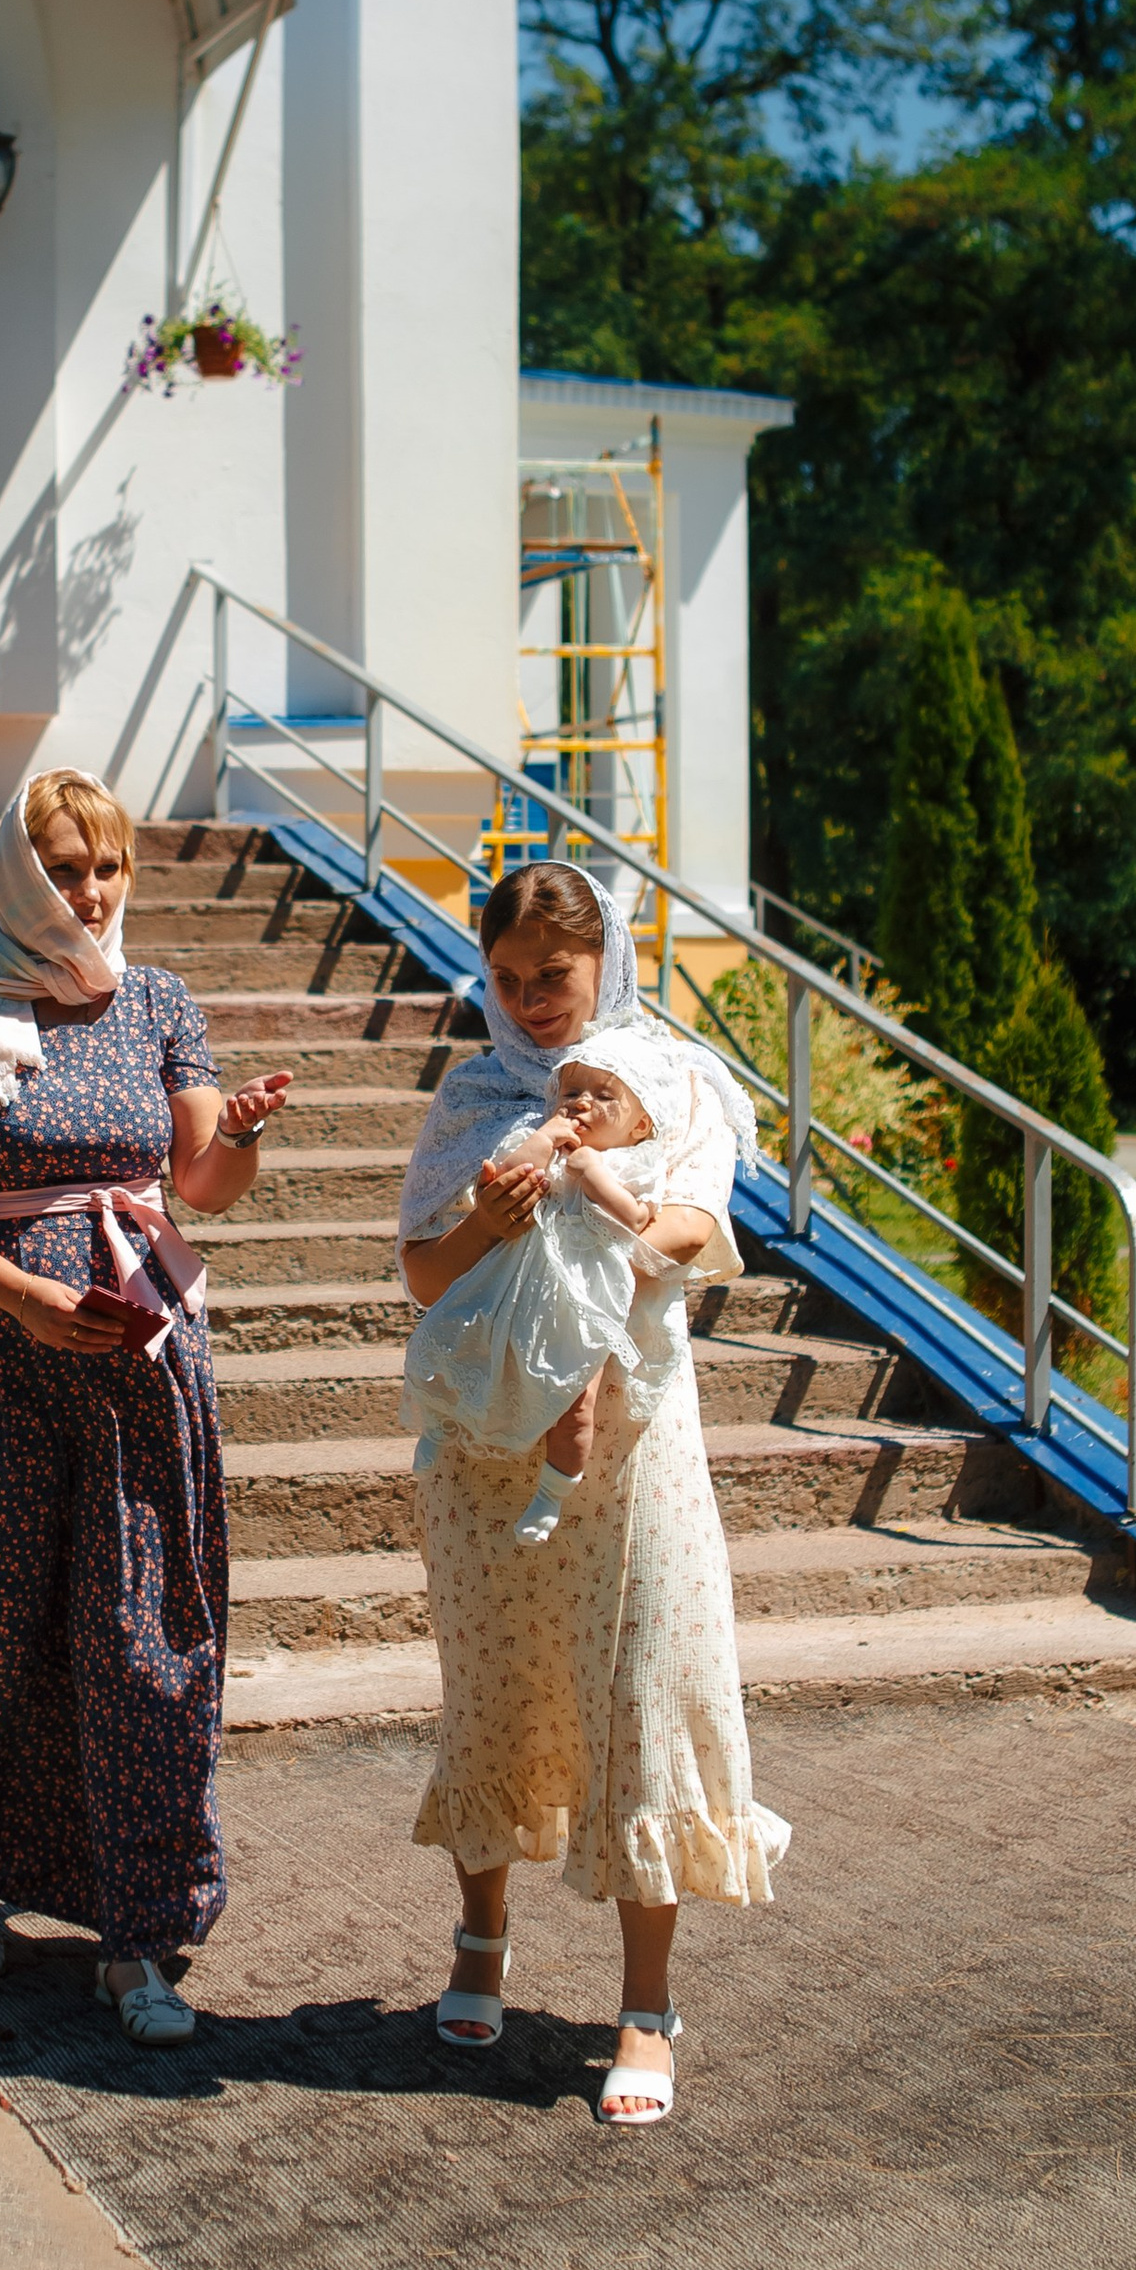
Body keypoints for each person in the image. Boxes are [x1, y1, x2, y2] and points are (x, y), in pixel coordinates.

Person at [0, 773, 292, 2044]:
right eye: (63, 866)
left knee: (145, 1638)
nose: (89, 891)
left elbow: (201, 1183)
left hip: (140, 1363)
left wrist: (244, 1133)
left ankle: (139, 1934)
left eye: (106, 866)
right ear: (18, 870)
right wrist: (22, 1300)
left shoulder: (158, 1000)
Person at [396, 861, 788, 2122]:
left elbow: (693, 1232)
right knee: (494, 1690)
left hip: (629, 1430)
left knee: (645, 1694)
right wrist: (492, 1221)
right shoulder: (475, 1093)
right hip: (487, 1437)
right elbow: (423, 1272)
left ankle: (646, 2007)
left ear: (603, 959)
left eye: (552, 975)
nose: (531, 1001)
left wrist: (590, 1206)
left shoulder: (667, 1077)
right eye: (507, 978)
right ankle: (479, 1941)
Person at [402, 1026, 688, 1546]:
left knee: (575, 1400)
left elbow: (637, 1220)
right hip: (514, 1273)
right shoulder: (547, 1141)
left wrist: (594, 1173)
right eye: (571, 1091)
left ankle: (552, 1492)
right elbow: (502, 1179)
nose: (582, 1103)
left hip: (584, 1291)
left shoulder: (637, 1162)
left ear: (641, 1123)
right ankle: (437, 1428)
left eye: (605, 1096)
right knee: (461, 1338)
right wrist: (545, 1139)